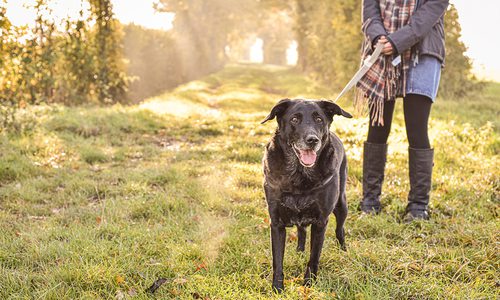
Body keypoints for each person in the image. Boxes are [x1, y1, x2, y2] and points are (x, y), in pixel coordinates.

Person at [356, 0, 449, 221]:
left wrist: (395, 41)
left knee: (417, 129)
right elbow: (369, 11)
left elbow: (428, 15)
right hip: (380, 52)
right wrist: (379, 38)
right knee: (377, 126)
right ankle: (370, 202)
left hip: (422, 52)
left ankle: (418, 207)